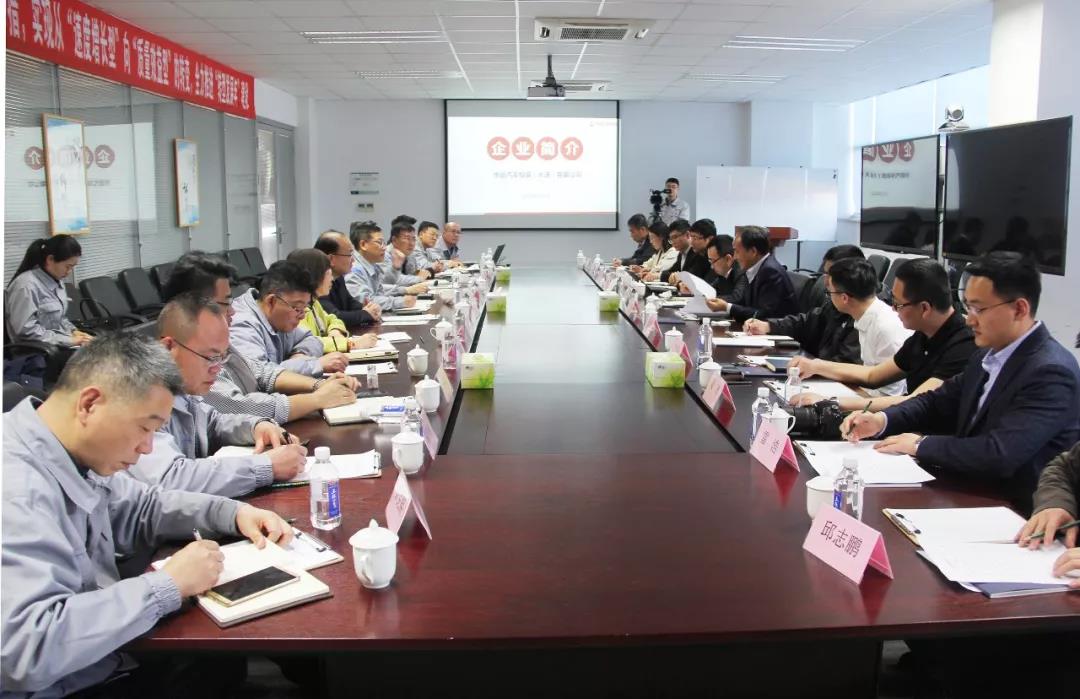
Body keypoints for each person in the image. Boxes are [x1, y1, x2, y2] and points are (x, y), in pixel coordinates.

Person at [1, 331, 292, 698]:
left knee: (223, 661)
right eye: (144, 427)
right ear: (89, 404)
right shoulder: (18, 489)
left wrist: (231, 513)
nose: (147, 447)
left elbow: (142, 507)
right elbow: (25, 649)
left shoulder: (70, 450)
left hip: (101, 658)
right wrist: (168, 585)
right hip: (61, 685)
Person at [843, 252, 1080, 509]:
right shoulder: (986, 355)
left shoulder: (1050, 371)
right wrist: (881, 420)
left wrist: (921, 445)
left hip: (1013, 510)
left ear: (1019, 309)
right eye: (968, 307)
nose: (969, 319)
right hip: (968, 491)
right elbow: (935, 401)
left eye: (979, 309)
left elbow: (999, 453)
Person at [128, 293, 307, 498]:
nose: (218, 368)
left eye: (222, 357)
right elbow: (171, 479)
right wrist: (266, 466)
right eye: (210, 357)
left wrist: (256, 426)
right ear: (169, 347)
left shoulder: (181, 387)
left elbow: (213, 423)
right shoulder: (137, 397)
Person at [163, 251, 359, 424]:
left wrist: (318, 385)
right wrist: (317, 399)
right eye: (226, 303)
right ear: (193, 307)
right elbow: (239, 407)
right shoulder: (191, 355)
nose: (233, 311)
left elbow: (260, 372)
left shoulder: (216, 341)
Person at [789, 258, 975, 410]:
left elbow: (919, 401)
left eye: (898, 304)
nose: (893, 309)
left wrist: (833, 402)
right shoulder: (923, 335)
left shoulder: (962, 345)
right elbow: (873, 375)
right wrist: (816, 365)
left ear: (924, 308)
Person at [744, 244, 864, 364]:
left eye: (830, 275)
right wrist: (768, 326)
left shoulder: (861, 312)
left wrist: (813, 366)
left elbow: (848, 363)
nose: (826, 281)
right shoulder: (835, 302)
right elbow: (805, 323)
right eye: (825, 274)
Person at [813, 257, 912, 395]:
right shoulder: (866, 315)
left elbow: (888, 393)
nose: (829, 297)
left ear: (844, 298)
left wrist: (837, 399)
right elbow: (869, 373)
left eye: (830, 293)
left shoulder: (885, 327)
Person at [231, 261, 349, 377]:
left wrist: (300, 355)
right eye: (298, 308)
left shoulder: (278, 318)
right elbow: (259, 374)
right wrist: (315, 365)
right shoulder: (242, 324)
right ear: (271, 301)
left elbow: (311, 339)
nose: (302, 316)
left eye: (304, 308)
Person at [5, 234, 93, 348]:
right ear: (50, 259)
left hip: (55, 343)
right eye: (68, 266)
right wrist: (69, 340)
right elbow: (26, 331)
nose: (69, 272)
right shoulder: (26, 286)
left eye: (72, 267)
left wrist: (73, 331)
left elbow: (59, 318)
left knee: (97, 346)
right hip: (35, 351)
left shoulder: (56, 280)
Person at [287, 248, 378, 354]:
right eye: (328, 273)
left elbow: (333, 319)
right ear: (314, 276)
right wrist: (350, 344)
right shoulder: (296, 310)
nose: (331, 279)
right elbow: (307, 343)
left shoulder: (313, 303)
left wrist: (335, 330)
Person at [706, 226, 798, 322]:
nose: (735, 257)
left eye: (737, 251)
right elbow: (743, 303)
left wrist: (727, 307)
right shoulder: (753, 268)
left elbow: (764, 315)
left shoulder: (770, 271)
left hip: (779, 329)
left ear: (753, 251)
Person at [315, 229, 383, 326]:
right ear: (331, 259)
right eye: (349, 254)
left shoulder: (338, 277)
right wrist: (366, 314)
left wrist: (369, 308)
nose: (353, 260)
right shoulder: (316, 282)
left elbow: (350, 303)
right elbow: (334, 316)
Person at [347, 221, 418, 312]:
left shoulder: (372, 265)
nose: (384, 247)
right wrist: (400, 301)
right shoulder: (353, 269)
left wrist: (403, 291)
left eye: (384, 243)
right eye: (379, 242)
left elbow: (380, 291)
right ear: (363, 245)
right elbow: (367, 301)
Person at [380, 221, 431, 290]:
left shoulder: (409, 254)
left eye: (413, 239)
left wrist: (420, 273)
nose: (411, 243)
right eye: (407, 238)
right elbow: (393, 280)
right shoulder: (383, 255)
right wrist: (419, 278)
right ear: (394, 240)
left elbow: (413, 273)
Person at [703, 234, 746, 300]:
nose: (712, 267)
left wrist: (711, 299)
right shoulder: (723, 273)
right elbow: (710, 289)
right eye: (710, 261)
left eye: (713, 261)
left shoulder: (741, 273)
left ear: (728, 259)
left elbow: (736, 298)